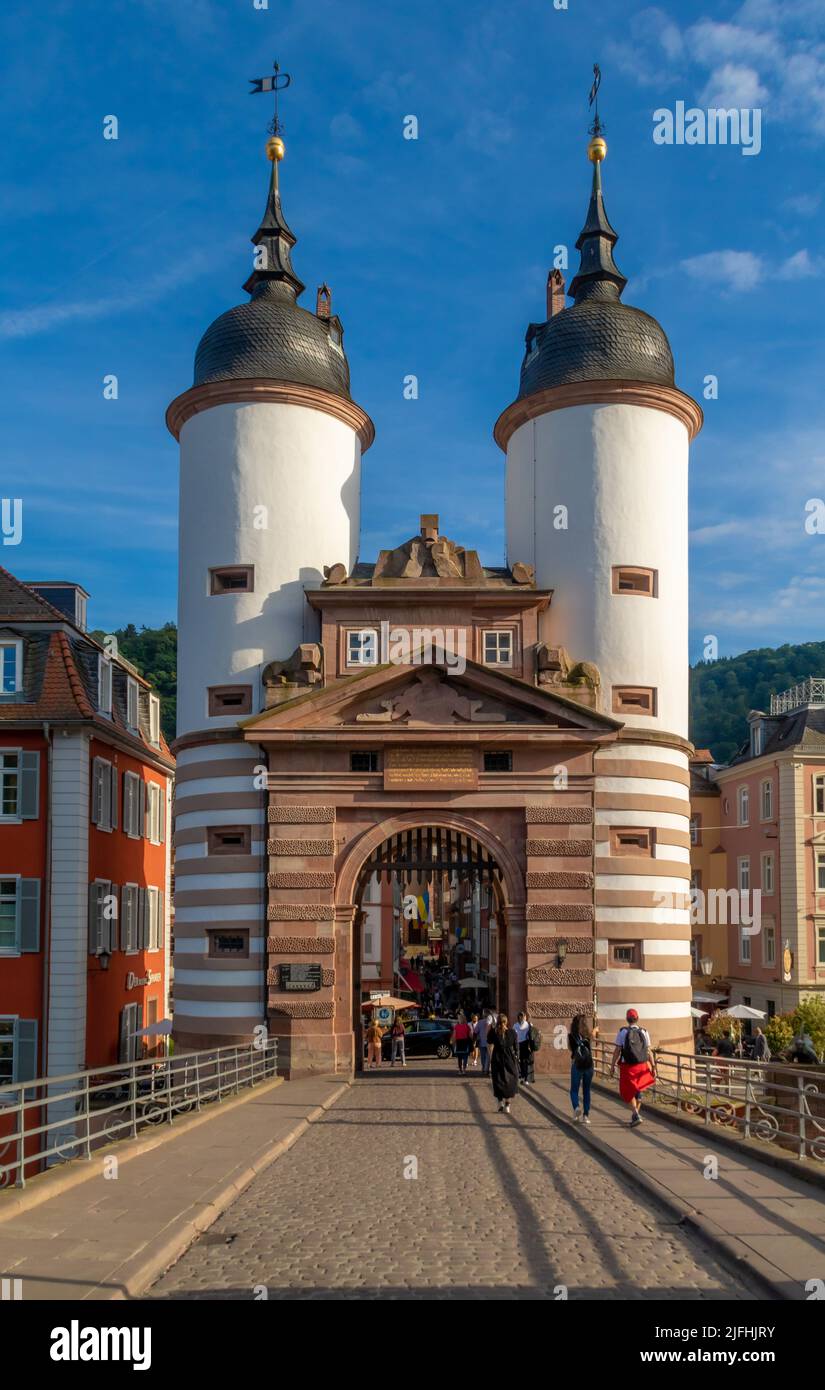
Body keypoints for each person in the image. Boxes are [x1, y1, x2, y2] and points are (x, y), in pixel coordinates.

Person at [610, 1009, 655, 1127]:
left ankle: (635, 1113)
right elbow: (648, 1051)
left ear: (627, 1019)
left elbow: (617, 1050)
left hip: (627, 1066)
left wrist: (612, 1065)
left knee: (627, 1091)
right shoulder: (644, 1032)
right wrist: (653, 1066)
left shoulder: (623, 1032)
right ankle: (636, 1116)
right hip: (642, 1065)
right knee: (637, 1090)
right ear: (637, 1018)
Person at [488, 1014, 520, 1114]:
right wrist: (517, 1058)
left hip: (497, 1058)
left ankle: (500, 1102)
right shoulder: (512, 1032)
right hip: (509, 1059)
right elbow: (516, 1048)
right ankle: (507, 1104)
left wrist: (490, 1057)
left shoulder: (494, 1032)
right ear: (506, 1022)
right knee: (510, 1081)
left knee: (498, 1080)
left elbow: (489, 1043)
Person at [568, 1013, 593, 1125]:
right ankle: (586, 1116)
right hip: (588, 1065)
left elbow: (570, 1049)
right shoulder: (588, 1035)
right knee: (586, 1090)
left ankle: (576, 1107)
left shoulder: (570, 1036)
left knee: (574, 1090)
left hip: (576, 1064)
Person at [513, 1010, 532, 1085]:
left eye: (523, 1016)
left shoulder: (528, 1024)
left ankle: (526, 1078)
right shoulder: (516, 1025)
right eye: (520, 1016)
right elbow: (514, 1035)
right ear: (518, 1017)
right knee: (519, 1060)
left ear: (525, 1017)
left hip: (525, 1044)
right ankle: (522, 1075)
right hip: (518, 1044)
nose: (522, 1017)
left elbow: (532, 1034)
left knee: (525, 1061)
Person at [476, 1008, 493, 1077]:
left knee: (483, 1056)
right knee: (489, 1056)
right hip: (490, 1041)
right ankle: (487, 1069)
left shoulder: (480, 1022)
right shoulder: (492, 1021)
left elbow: (476, 1031)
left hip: (482, 1041)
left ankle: (484, 1068)